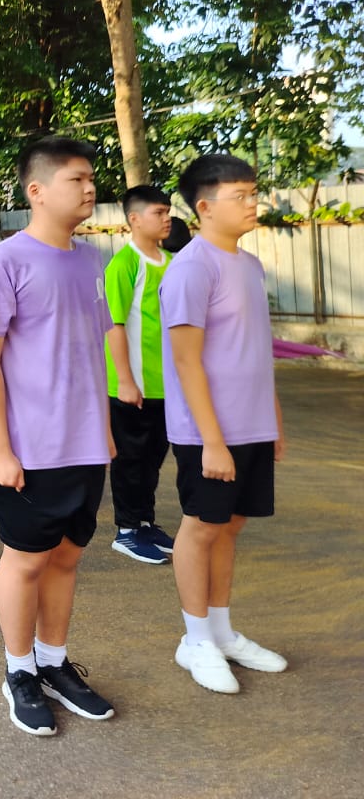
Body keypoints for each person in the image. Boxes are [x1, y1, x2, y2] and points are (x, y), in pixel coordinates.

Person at [0, 136, 115, 736]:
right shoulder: (1, 263)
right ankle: (19, 671)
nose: (89, 188)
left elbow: (93, 349)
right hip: (29, 448)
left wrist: (104, 431)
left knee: (68, 556)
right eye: (76, 179)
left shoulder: (92, 261)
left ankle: (54, 663)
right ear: (37, 190)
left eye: (91, 178)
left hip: (85, 444)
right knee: (25, 561)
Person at [161, 154, 287, 695]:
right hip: (207, 433)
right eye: (241, 195)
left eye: (254, 192)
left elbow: (255, 349)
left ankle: (221, 632)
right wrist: (212, 441)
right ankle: (195, 641)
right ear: (206, 206)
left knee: (231, 526)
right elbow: (186, 359)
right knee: (202, 526)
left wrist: (272, 417)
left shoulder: (250, 265)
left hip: (251, 425)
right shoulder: (192, 267)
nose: (254, 203)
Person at [105, 186, 176, 564]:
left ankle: (145, 522)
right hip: (132, 385)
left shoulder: (172, 262)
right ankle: (127, 531)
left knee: (153, 457)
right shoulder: (124, 264)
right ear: (134, 219)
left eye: (168, 211)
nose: (167, 218)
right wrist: (125, 379)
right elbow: (113, 324)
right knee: (130, 459)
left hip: (166, 385)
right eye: (158, 212)